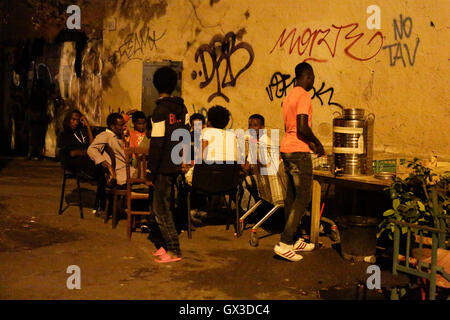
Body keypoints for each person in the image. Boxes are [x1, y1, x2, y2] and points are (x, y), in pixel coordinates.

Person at [274, 62, 325, 262]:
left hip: (287, 149)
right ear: (307, 76)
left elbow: (293, 127)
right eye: (311, 77)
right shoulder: (304, 96)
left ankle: (294, 239)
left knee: (291, 197)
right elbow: (302, 126)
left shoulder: (288, 97)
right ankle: (285, 242)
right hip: (298, 152)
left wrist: (309, 143)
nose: (312, 81)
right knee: (303, 197)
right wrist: (317, 143)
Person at [146, 66, 189, 263]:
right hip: (175, 162)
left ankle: (173, 250)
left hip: (162, 166)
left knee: (160, 209)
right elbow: (185, 136)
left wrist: (150, 170)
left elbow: (156, 143)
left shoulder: (160, 111)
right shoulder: (181, 109)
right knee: (166, 206)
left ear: (156, 85)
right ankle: (164, 246)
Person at [59, 109, 106, 216]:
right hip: (75, 164)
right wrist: (90, 152)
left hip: (87, 161)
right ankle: (100, 206)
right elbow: (73, 153)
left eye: (77, 120)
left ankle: (100, 206)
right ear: (68, 120)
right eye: (73, 119)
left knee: (104, 172)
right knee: (102, 172)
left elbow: (92, 144)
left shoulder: (81, 132)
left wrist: (88, 126)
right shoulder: (65, 134)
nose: (75, 122)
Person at [87, 112, 134, 187]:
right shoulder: (105, 135)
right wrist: (107, 165)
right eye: (121, 125)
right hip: (120, 174)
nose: (124, 127)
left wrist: (127, 142)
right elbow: (91, 149)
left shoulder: (117, 136)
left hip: (127, 170)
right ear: (112, 126)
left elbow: (127, 159)